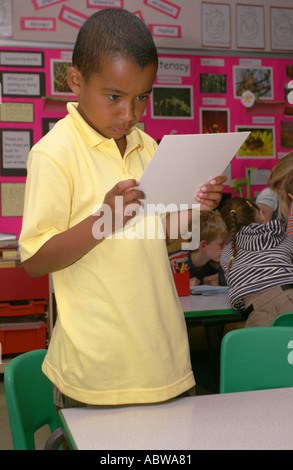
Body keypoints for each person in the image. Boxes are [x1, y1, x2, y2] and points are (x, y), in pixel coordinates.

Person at [19, 9, 225, 408]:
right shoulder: (54, 153)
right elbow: (35, 260)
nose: (129, 114)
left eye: (141, 98)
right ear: (75, 80)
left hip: (165, 361)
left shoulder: (144, 144)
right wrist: (103, 221)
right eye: (114, 96)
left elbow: (155, 236)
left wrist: (195, 206)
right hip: (99, 374)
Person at [220, 197, 293, 328]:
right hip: (288, 298)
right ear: (261, 214)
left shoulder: (228, 253)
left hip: (255, 311)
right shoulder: (281, 237)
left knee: (265, 348)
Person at [168, 210, 228, 286]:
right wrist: (183, 285)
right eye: (221, 244)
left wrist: (205, 284)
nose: (226, 248)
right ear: (203, 246)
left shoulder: (214, 267)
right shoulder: (172, 262)